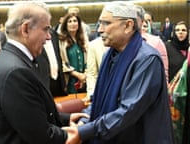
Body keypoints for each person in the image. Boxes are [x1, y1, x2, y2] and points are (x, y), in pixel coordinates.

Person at [63, 2, 174, 144]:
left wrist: (85, 131)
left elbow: (129, 111)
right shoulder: (109, 55)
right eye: (100, 24)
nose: (100, 30)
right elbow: (99, 99)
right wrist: (85, 120)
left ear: (128, 25)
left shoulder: (147, 60)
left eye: (106, 23)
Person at [0, 2, 88, 144]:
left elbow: (30, 114)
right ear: (26, 29)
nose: (49, 37)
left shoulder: (14, 58)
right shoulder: (16, 72)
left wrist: (64, 119)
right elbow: (40, 136)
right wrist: (72, 135)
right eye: (45, 30)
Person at [165, 21, 190, 144]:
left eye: (184, 30)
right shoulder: (167, 47)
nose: (180, 32)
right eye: (178, 30)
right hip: (172, 95)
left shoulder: (189, 49)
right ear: (173, 33)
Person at [136, 5, 169, 82]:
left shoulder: (158, 38)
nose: (145, 23)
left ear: (152, 22)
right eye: (143, 20)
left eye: (148, 20)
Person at [59, 13, 88, 94]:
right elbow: (62, 62)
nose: (73, 23)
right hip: (70, 80)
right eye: (70, 21)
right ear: (65, 25)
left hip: (85, 79)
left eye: (75, 21)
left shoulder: (84, 40)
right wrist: (77, 74)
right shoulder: (61, 41)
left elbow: (89, 59)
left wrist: (84, 75)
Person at [38, 28, 68, 96]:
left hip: (58, 82)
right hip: (44, 83)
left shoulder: (53, 34)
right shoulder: (34, 36)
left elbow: (58, 58)